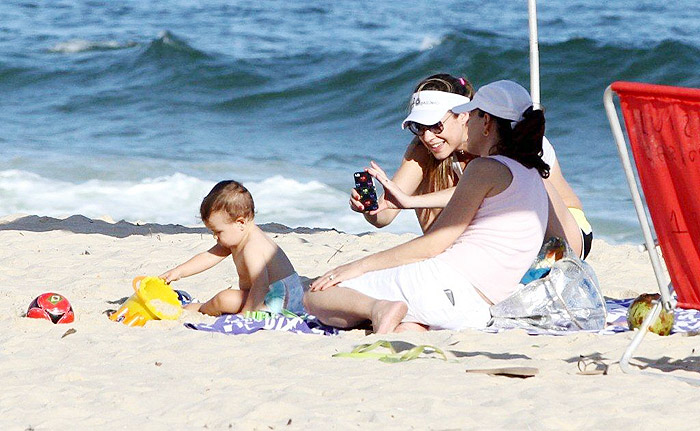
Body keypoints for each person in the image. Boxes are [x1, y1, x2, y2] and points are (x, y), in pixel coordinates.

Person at [305, 80, 550, 333]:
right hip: (477, 310)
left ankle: (377, 308)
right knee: (408, 323)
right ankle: (402, 324)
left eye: (473, 116)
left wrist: (356, 266)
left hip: (446, 286)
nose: (468, 122)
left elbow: (434, 244)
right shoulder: (533, 174)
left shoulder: (484, 169)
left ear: (486, 122)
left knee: (317, 296)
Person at [350, 74, 593, 259]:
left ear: (463, 115)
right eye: (418, 127)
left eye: (436, 125)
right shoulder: (424, 149)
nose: (428, 136)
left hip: (565, 230)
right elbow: (386, 214)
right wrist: (370, 208)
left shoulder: (506, 139)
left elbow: (476, 188)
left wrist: (410, 201)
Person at [160, 180, 304, 317]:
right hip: (263, 296)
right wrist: (178, 272)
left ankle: (199, 308)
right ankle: (197, 308)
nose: (215, 237)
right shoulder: (239, 236)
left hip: (281, 303)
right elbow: (209, 256)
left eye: (218, 231)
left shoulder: (252, 247)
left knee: (223, 299)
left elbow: (261, 285)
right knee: (226, 299)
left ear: (240, 222)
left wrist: (244, 316)